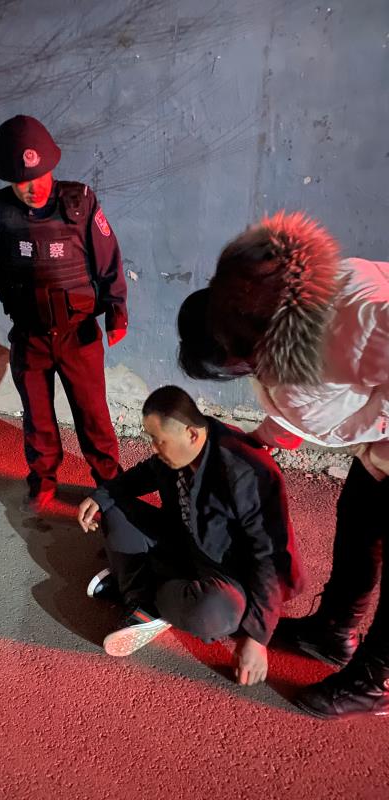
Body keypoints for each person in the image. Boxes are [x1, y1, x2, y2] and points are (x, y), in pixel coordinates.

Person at [178, 210, 389, 718]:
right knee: (359, 525)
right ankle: (333, 632)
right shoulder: (266, 318)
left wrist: (373, 434)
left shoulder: (359, 319)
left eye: (237, 364)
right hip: (380, 448)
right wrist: (265, 438)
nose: (245, 371)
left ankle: (376, 680)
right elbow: (305, 398)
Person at [77, 386, 303, 686]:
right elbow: (145, 473)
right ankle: (143, 597)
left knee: (213, 613)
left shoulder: (246, 473)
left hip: (226, 574)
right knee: (112, 508)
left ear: (192, 434)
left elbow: (270, 557)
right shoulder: (180, 450)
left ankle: (142, 594)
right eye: (151, 438)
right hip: (183, 543)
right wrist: (102, 496)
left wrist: (257, 637)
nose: (154, 448)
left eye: (159, 440)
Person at [0, 116, 128, 512]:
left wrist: (116, 310)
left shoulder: (80, 202)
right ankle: (42, 482)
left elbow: (108, 258)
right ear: (9, 180)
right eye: (22, 181)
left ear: (52, 167)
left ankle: (112, 487)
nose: (33, 187)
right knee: (37, 418)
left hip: (79, 334)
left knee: (93, 417)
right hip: (30, 335)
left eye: (39, 176)